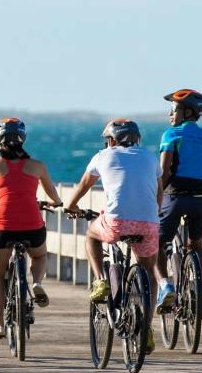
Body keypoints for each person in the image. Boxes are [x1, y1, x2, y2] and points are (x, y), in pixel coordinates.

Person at [63, 117, 162, 351]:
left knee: (91, 235)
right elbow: (159, 193)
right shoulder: (150, 157)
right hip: (148, 223)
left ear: (111, 140)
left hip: (116, 222)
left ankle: (100, 281)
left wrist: (70, 205)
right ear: (137, 139)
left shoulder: (102, 156)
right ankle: (146, 329)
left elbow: (83, 186)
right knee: (148, 271)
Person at [0, 118, 60, 338]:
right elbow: (54, 197)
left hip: (4, 227)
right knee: (39, 256)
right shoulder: (37, 166)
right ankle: (36, 282)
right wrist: (53, 203)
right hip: (32, 225)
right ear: (23, 138)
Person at [156, 88, 202, 314]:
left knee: (156, 244)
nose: (170, 114)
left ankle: (165, 287)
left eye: (173, 109)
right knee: (196, 244)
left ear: (186, 112)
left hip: (176, 198)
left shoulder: (171, 135)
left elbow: (164, 172)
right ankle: (200, 294)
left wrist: (154, 199)